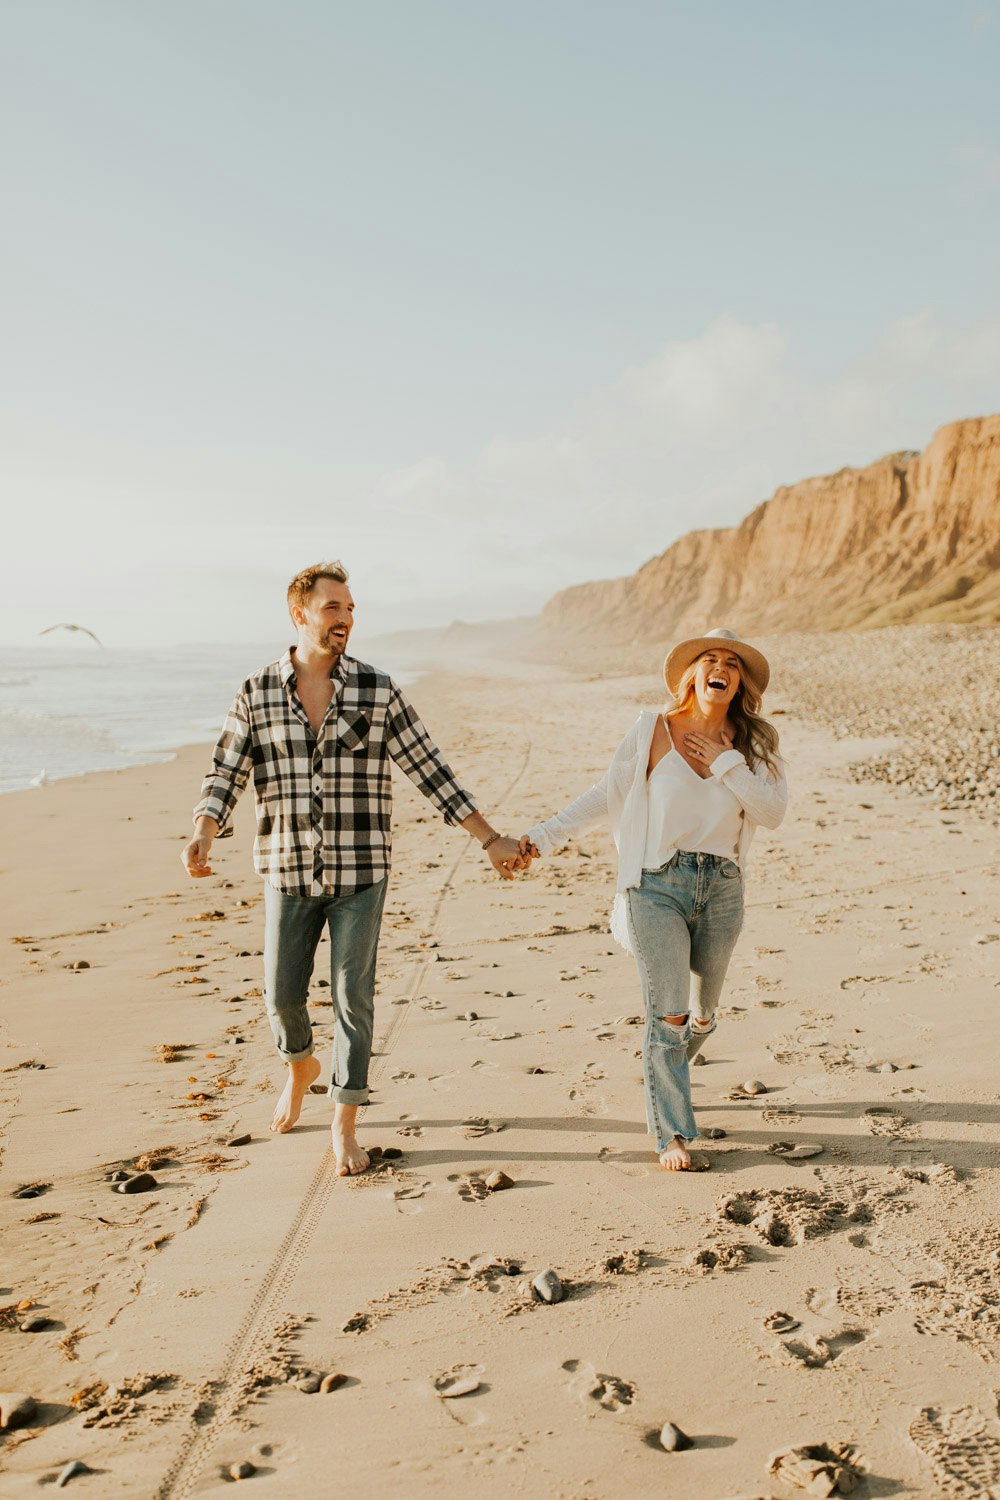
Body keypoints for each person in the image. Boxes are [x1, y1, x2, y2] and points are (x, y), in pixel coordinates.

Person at [182, 560, 528, 1176]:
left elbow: (431, 769)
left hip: (362, 870)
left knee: (352, 998)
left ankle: (344, 1122)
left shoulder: (377, 688)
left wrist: (490, 838)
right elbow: (227, 769)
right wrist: (205, 830)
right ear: (301, 615)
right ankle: (300, 1067)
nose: (346, 619)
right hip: (286, 869)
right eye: (333, 608)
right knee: (282, 995)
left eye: (350, 609)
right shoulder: (257, 690)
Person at [520, 628, 787, 1171]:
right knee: (668, 1014)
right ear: (691, 675)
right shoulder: (651, 731)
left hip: (722, 887)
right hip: (654, 885)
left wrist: (724, 762)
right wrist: (542, 838)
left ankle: (673, 1067)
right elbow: (605, 793)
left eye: (731, 663)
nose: (720, 668)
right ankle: (671, 1134)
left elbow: (772, 812)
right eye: (709, 660)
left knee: (703, 1013)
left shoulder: (754, 745)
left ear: (739, 682)